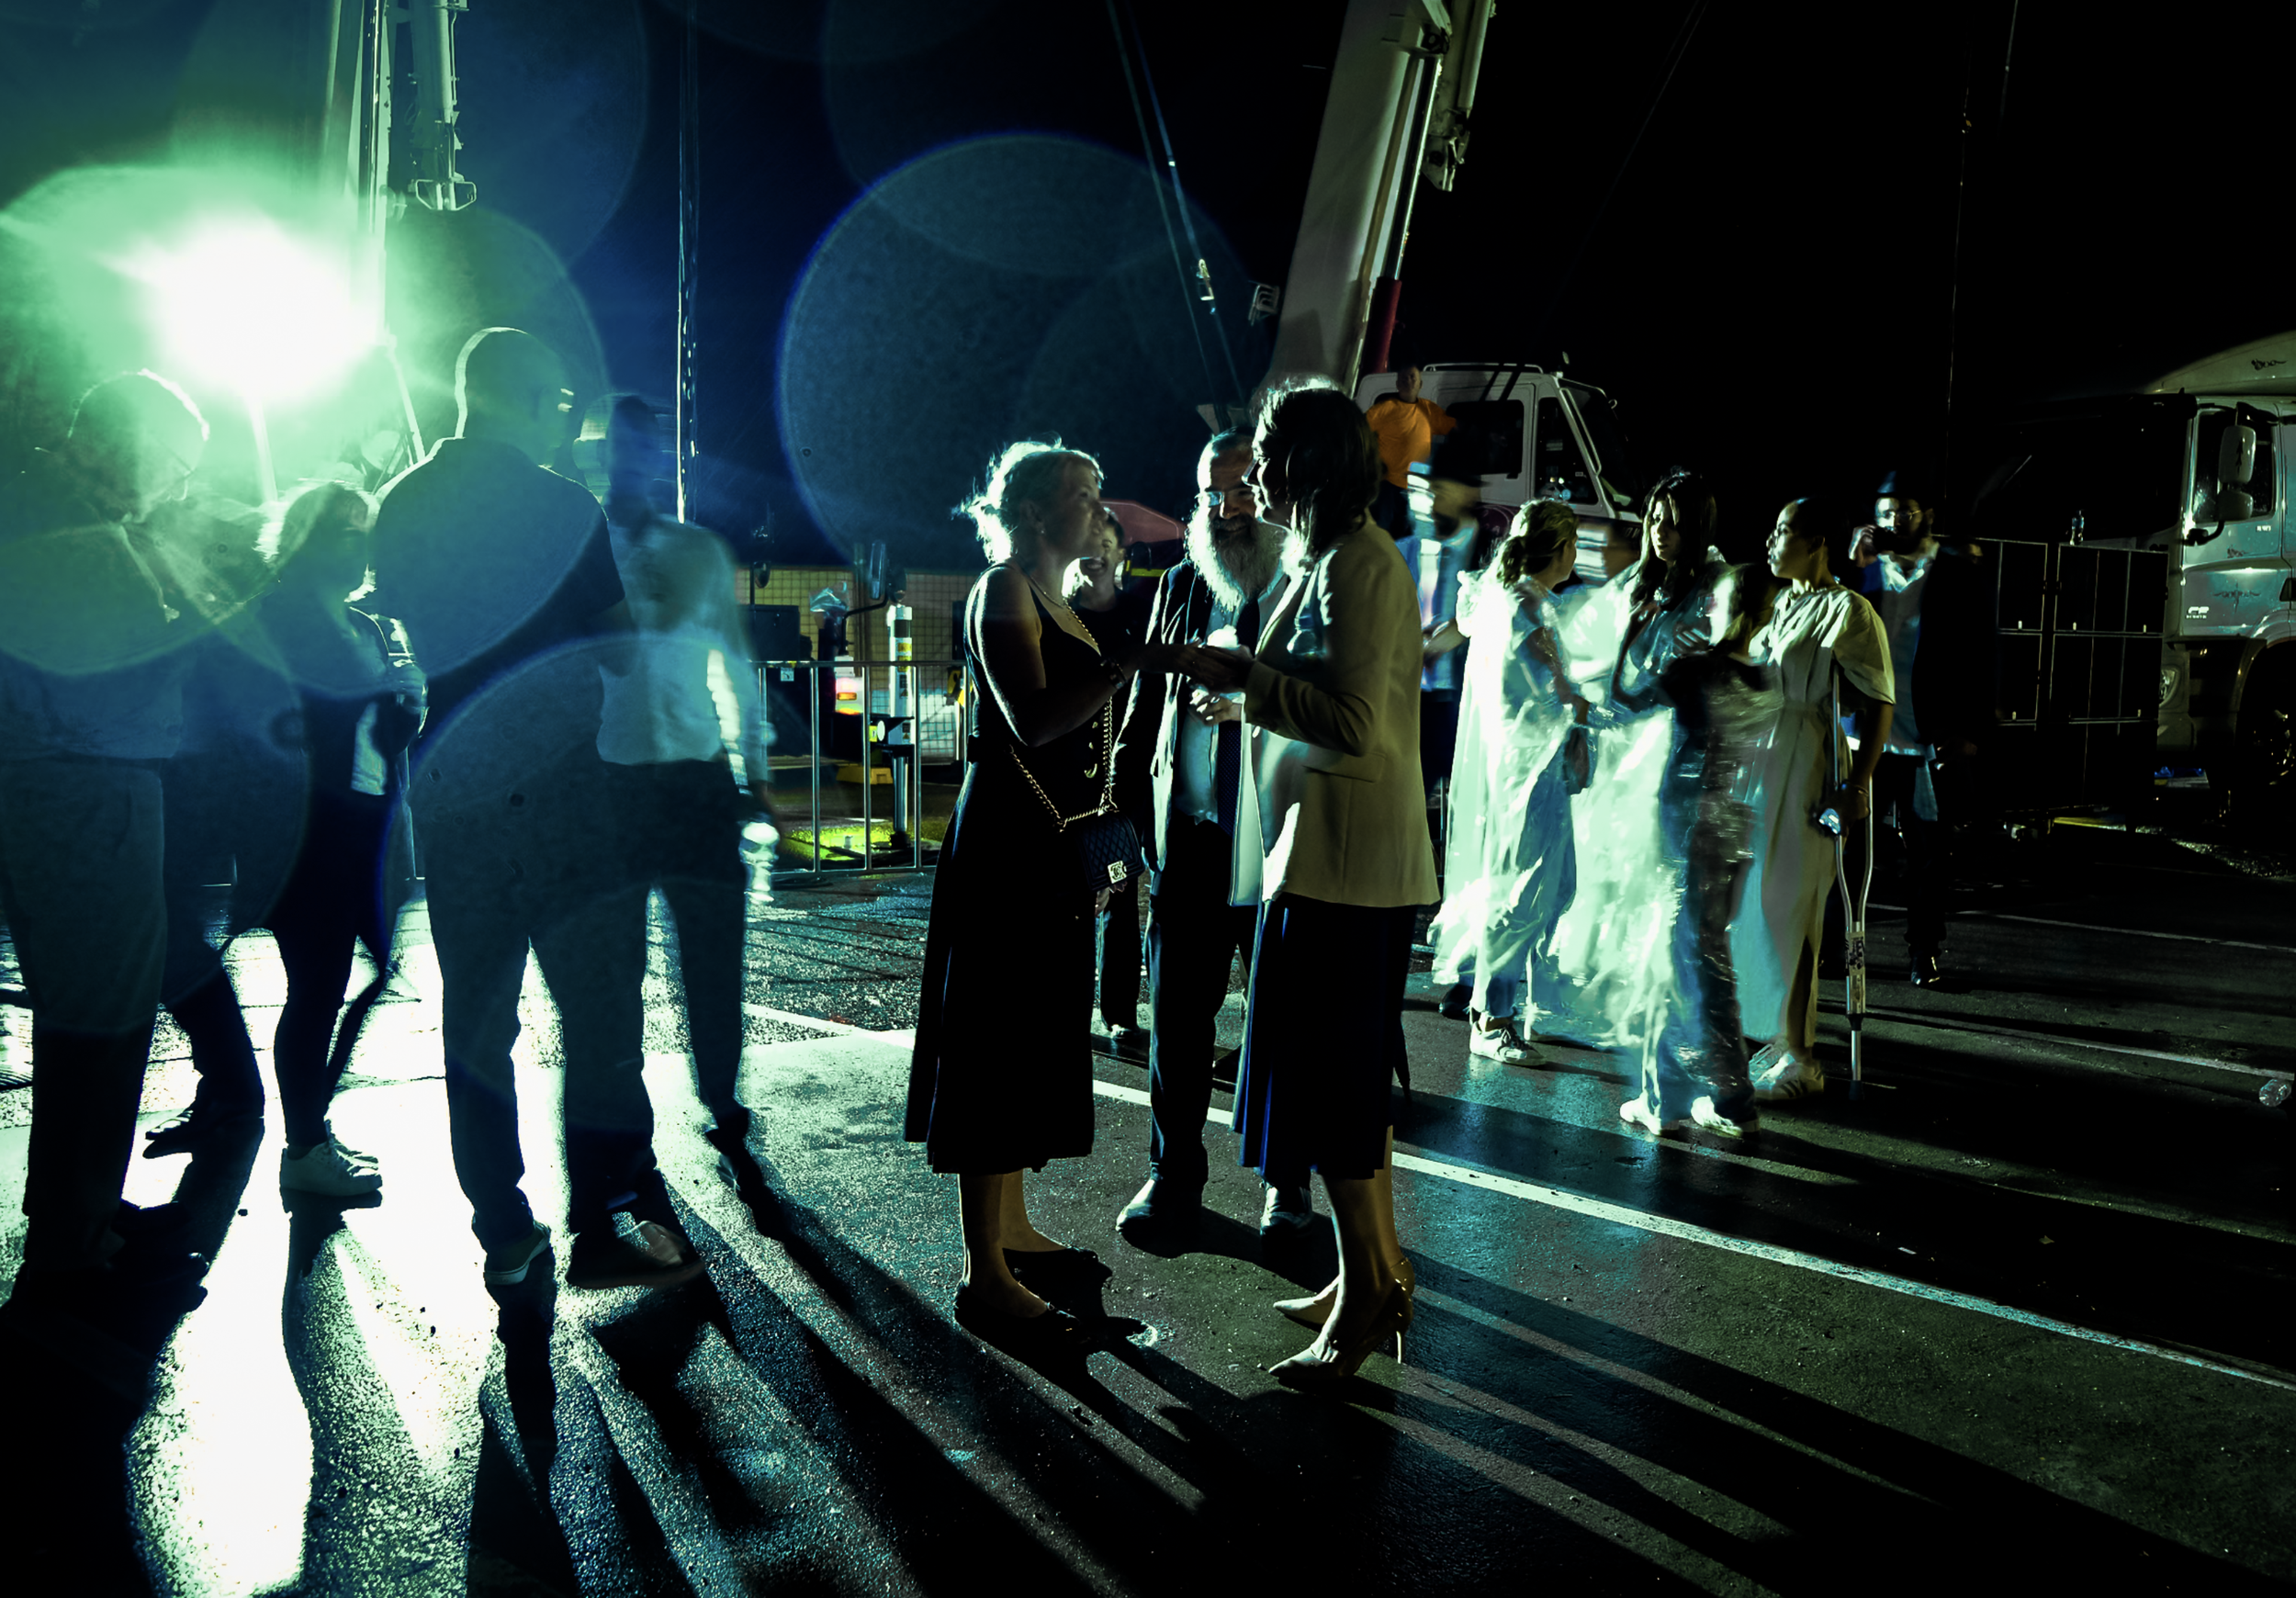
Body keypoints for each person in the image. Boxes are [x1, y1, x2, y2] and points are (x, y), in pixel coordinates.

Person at [371, 328, 699, 1292]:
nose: (565, 416)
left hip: (453, 785)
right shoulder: (562, 507)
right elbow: (618, 652)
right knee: (596, 1010)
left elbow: (399, 620)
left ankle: (504, 1230)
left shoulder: (401, 500)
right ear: (522, 398)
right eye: (555, 400)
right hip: (561, 786)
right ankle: (600, 1213)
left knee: (477, 1019)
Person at [1181, 381, 1437, 1386]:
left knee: (1332, 1095)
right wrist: (1247, 689)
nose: (1258, 473)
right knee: (1345, 1095)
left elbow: (1353, 723)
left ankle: (1370, 1295)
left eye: (1275, 454)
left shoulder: (1357, 566)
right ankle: (1365, 1273)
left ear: (1320, 463)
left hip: (1345, 870)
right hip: (1323, 859)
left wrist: (1245, 681)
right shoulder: (1330, 557)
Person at [906, 441, 1177, 1349]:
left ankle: (1013, 1226)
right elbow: (1031, 719)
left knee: (1026, 1036)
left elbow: (1130, 610)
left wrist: (1124, 562)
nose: (1102, 508)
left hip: (1053, 837)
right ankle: (983, 1272)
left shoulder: (1068, 588)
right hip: (1005, 843)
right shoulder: (1002, 591)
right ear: (1032, 514)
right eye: (1085, 495)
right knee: (990, 1041)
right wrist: (1120, 665)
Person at [0, 370, 215, 1324]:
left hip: (53, 794)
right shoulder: (87, 542)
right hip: (89, 796)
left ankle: (75, 1215)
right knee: (105, 1025)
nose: (174, 487)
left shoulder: (33, 503)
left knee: (79, 1019)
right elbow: (124, 691)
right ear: (134, 445)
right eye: (174, 466)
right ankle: (71, 1250)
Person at [1109, 429, 1300, 1253]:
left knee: (1282, 1022)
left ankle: (1286, 1186)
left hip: (1279, 849)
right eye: (1209, 495)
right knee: (1179, 1020)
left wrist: (1251, 701)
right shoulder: (1183, 584)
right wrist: (1122, 823)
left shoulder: (1303, 583)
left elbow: (1333, 705)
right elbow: (1141, 712)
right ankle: (1171, 1173)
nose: (1223, 510)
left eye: (1239, 492)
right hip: (1186, 840)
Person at [593, 397, 771, 1156]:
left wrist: (753, 770)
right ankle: (623, 1118)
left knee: (711, 949)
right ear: (600, 457)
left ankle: (721, 1094)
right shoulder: (580, 550)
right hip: (607, 781)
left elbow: (734, 661)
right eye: (622, 449)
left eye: (647, 449)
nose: (635, 462)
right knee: (613, 965)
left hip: (697, 780)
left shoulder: (700, 550)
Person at [254, 482, 424, 1196]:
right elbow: (276, 726)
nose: (360, 544)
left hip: (368, 828)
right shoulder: (278, 617)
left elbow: (381, 739)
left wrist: (407, 704)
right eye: (343, 530)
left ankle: (311, 1130)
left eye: (365, 530)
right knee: (317, 988)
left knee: (376, 974)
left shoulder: (366, 626)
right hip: (307, 833)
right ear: (307, 538)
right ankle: (304, 1147)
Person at [1541, 469, 1729, 1051]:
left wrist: (1620, 703)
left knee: (1675, 887)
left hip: (1685, 749)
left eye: (1674, 521)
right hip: (1634, 748)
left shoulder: (1713, 586)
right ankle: (1658, 1012)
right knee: (1628, 871)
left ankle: (1683, 1023)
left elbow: (1686, 672)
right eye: (1653, 518)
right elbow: (1601, 646)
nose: (1659, 531)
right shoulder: (1644, 584)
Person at [1734, 499, 1894, 1100]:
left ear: (1818, 541)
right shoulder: (1777, 606)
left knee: (1793, 908)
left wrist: (1857, 786)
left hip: (1808, 765)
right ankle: (1779, 1032)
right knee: (1757, 903)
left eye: (1784, 531)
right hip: (1762, 762)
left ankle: (1804, 1056)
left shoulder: (1846, 610)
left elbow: (1879, 699)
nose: (1772, 541)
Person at [1618, 565, 1782, 1137]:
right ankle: (1731, 1094)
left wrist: (1632, 633)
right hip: (1734, 829)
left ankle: (1663, 1099)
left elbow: (1626, 697)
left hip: (1687, 828)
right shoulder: (1766, 681)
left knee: (1670, 957)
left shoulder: (1692, 669)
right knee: (1709, 960)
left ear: (1726, 604)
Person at [1426, 500, 1590, 1066]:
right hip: (1526, 771)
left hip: (1530, 766)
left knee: (1553, 884)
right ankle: (1492, 1016)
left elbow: (1457, 630)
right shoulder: (1523, 601)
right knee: (1522, 890)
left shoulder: (1506, 593)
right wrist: (1577, 698)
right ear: (1563, 549)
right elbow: (1543, 661)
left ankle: (1533, 1005)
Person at [1840, 469, 1995, 986]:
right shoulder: (1865, 573)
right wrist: (1852, 569)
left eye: (1902, 512)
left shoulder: (1955, 570)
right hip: (1866, 736)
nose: (1891, 521)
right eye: (1883, 513)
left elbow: (1983, 654)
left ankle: (1923, 950)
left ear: (1927, 514)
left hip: (1927, 735)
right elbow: (1831, 633)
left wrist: (1970, 730)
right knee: (1850, 845)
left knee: (1928, 853)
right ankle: (1843, 944)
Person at [1070, 508, 1154, 1052]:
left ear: (1122, 555)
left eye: (1106, 543)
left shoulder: (1139, 616)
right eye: (1086, 541)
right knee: (1071, 896)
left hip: (1121, 783)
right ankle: (1068, 1002)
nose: (1094, 552)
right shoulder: (1058, 616)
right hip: (1067, 783)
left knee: (1119, 890)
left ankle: (1118, 1011)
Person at [1363, 365, 1456, 536]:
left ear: (1421, 384)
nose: (1409, 381)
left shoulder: (1429, 410)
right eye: (1404, 378)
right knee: (1381, 535)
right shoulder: (1385, 409)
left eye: (1413, 377)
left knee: (1411, 538)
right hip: (1388, 488)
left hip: (1418, 490)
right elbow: (1359, 430)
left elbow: (1455, 427)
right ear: (1397, 384)